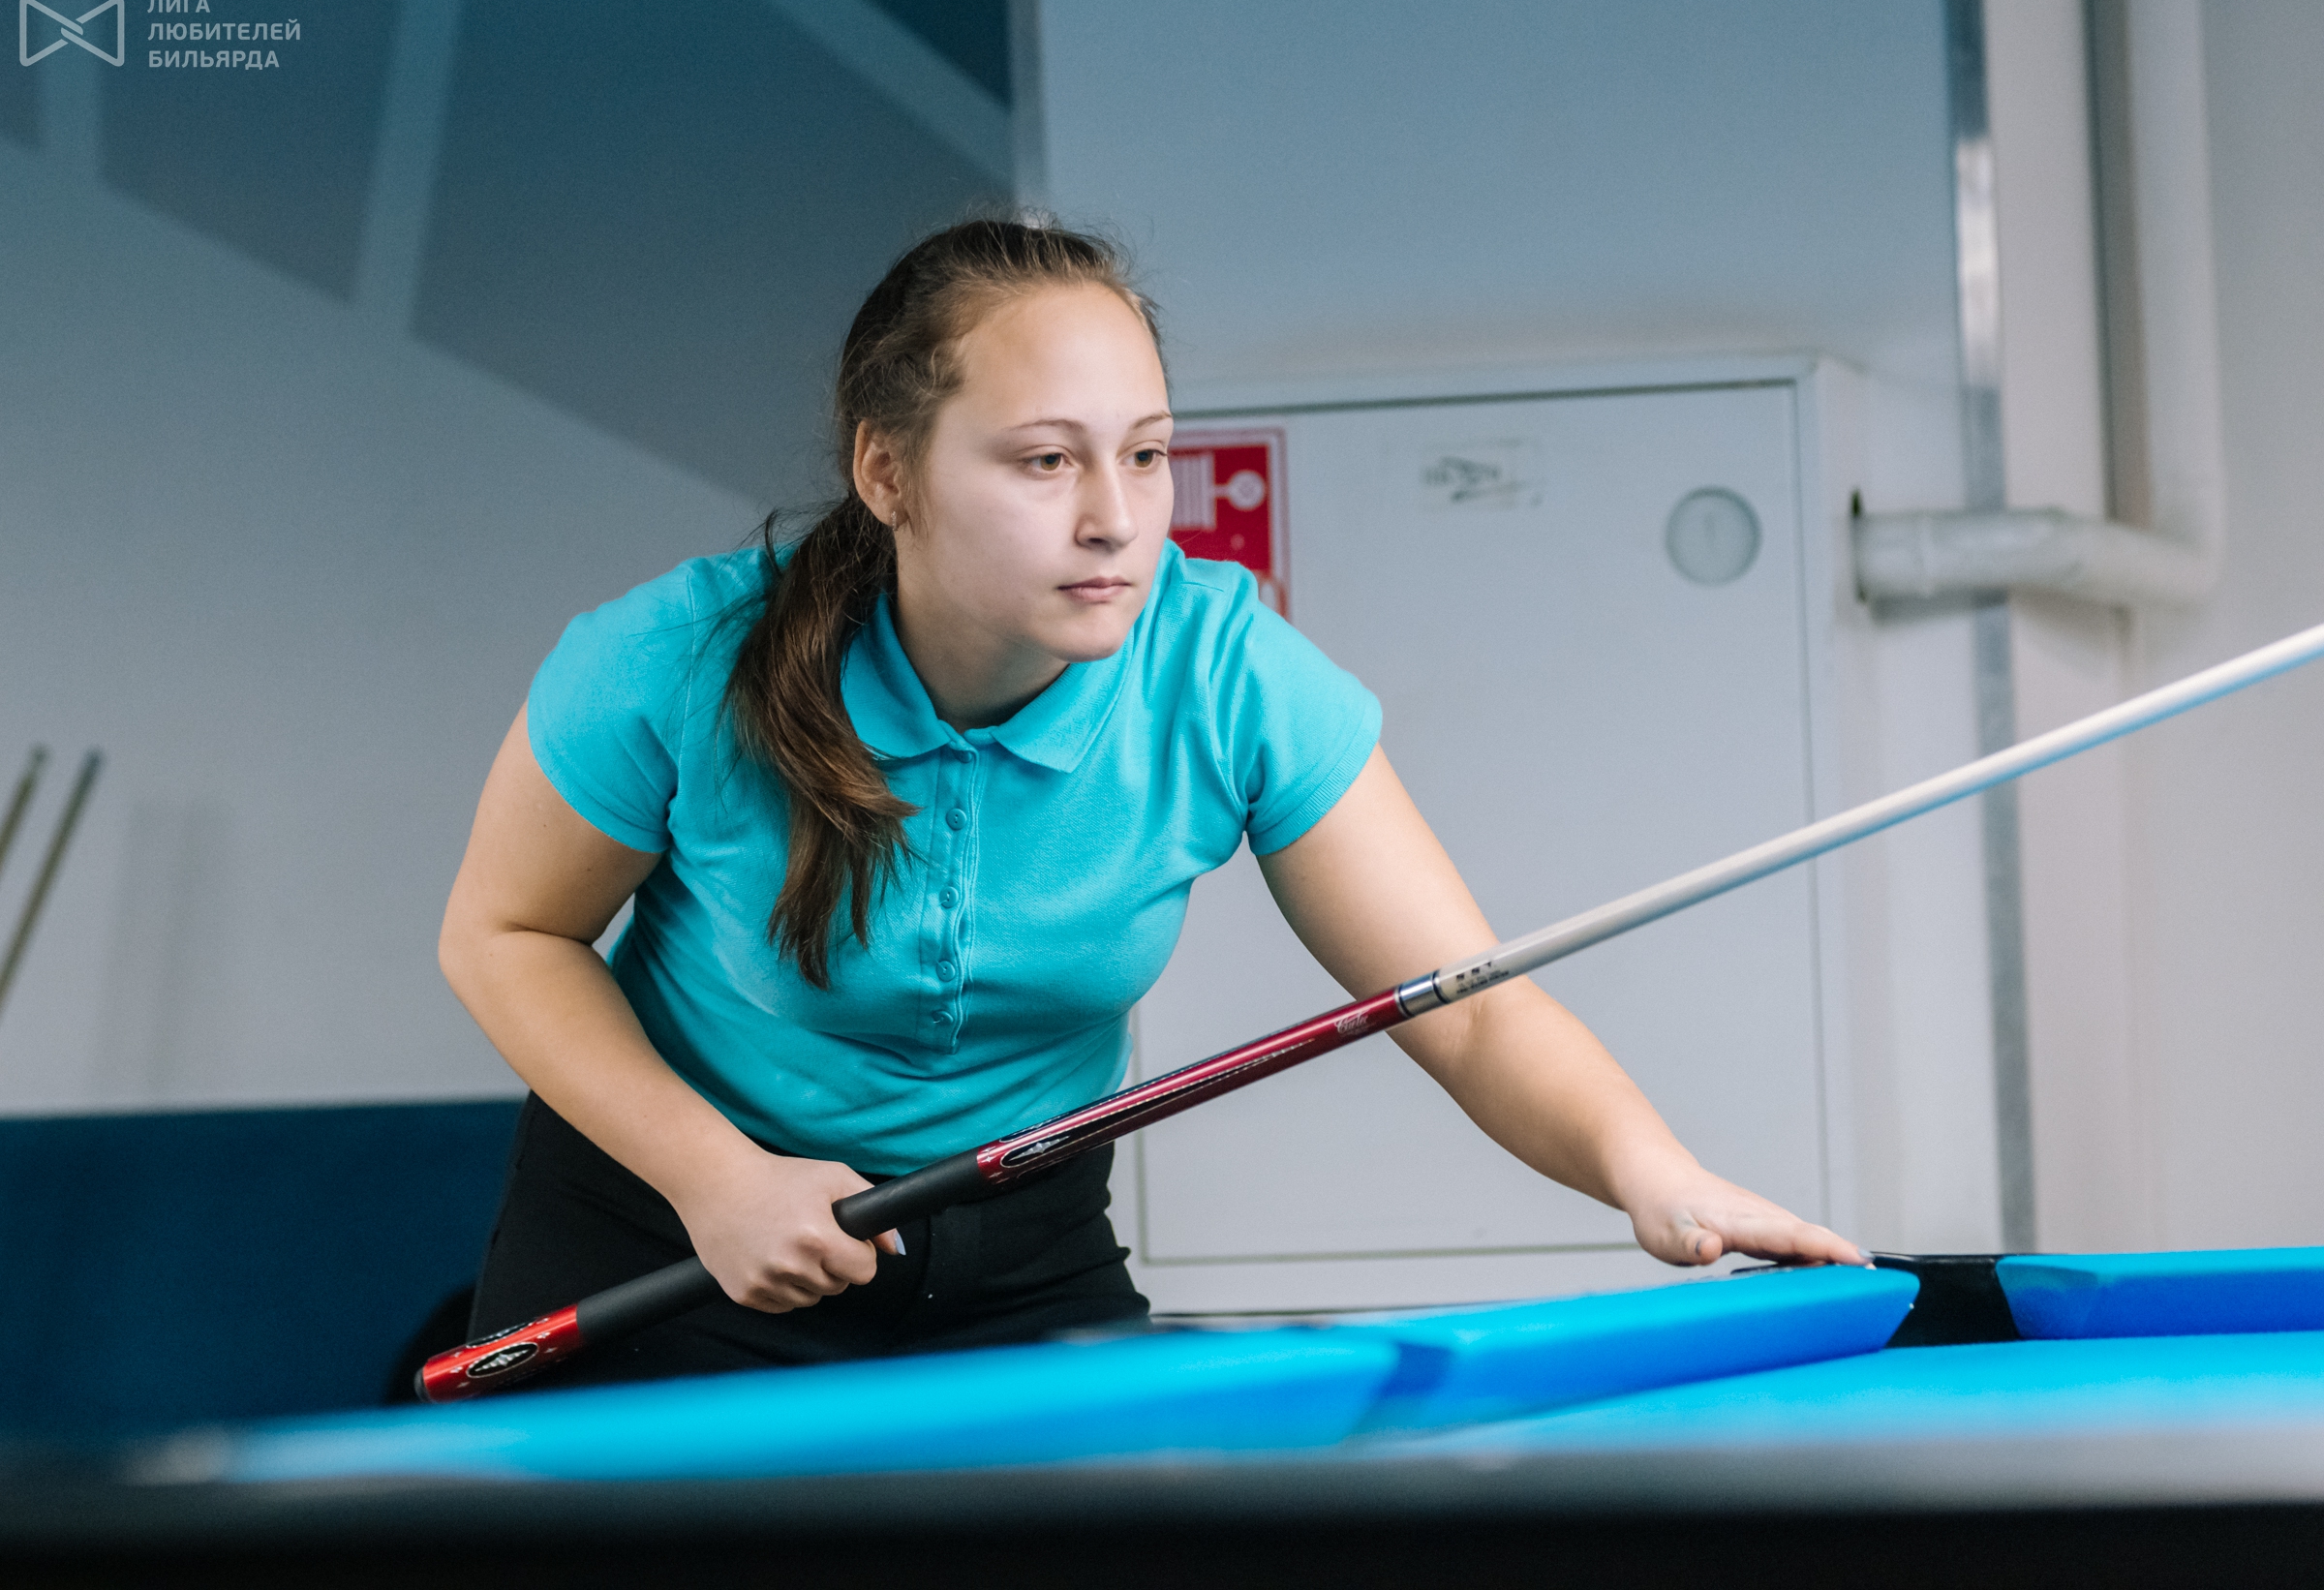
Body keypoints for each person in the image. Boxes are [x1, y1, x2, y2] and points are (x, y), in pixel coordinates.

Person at [440, 218, 1864, 1388]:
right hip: (669, 1243)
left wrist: (1651, 1172)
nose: (1115, 517)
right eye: (1045, 460)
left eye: (1146, 452)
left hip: (1015, 1263)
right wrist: (715, 1176)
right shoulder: (673, 660)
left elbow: (1471, 1005)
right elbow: (505, 936)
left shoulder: (1226, 670)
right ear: (888, 471)